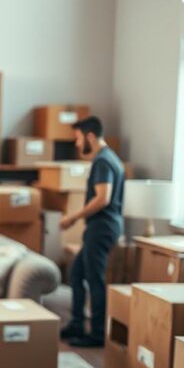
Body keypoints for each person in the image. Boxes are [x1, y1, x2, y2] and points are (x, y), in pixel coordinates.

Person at [58, 116, 124, 348]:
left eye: (77, 138)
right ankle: (77, 324)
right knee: (76, 273)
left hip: (102, 227)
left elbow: (103, 198)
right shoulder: (109, 159)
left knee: (94, 280)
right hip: (102, 227)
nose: (76, 144)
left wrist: (73, 218)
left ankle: (96, 334)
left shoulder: (103, 162)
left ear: (90, 136)